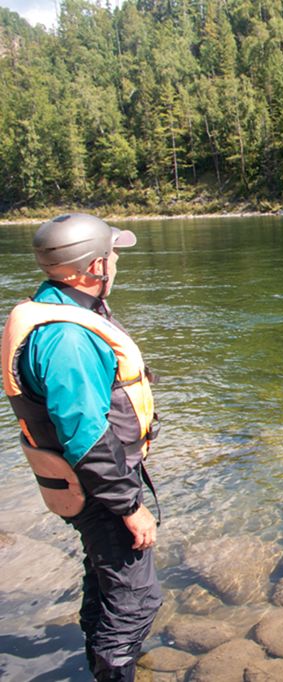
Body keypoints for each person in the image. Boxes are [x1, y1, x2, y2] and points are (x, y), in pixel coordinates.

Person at [1, 213, 162, 680]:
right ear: (94, 267)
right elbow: (86, 438)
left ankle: (97, 658)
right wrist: (130, 505)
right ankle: (112, 667)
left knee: (105, 579)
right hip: (97, 486)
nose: (115, 262)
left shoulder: (55, 306)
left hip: (80, 482)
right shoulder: (67, 338)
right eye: (111, 255)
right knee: (136, 601)